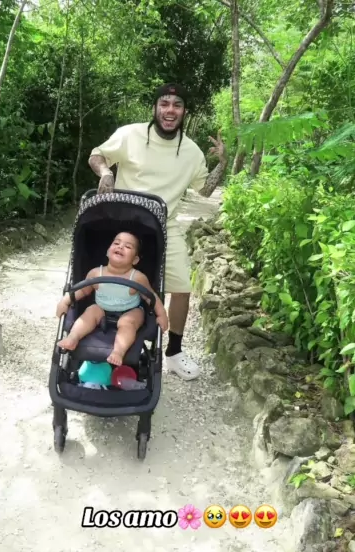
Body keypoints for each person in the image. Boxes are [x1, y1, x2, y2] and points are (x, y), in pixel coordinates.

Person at [87, 82, 228, 381]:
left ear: (184, 112)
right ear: (155, 108)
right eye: (164, 104)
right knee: (106, 274)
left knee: (183, 287)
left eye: (177, 105)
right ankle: (96, 331)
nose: (170, 110)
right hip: (124, 222)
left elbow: (204, 190)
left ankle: (174, 352)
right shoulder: (130, 134)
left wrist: (222, 163)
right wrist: (106, 172)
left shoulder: (191, 151)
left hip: (166, 224)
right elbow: (97, 155)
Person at [56, 231, 168, 366]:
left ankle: (118, 351)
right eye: (116, 243)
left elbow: (151, 297)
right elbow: (82, 291)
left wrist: (161, 315)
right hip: (102, 310)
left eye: (128, 246)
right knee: (91, 311)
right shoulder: (96, 273)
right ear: (107, 252)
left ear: (135, 260)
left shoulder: (137, 277)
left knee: (128, 322)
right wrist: (65, 301)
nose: (120, 247)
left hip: (130, 310)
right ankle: (73, 337)